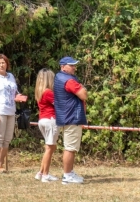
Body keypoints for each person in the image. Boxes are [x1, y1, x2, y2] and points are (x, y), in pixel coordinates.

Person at [0, 54, 26, 174]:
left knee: (7, 139)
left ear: (7, 64)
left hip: (11, 110)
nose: (1, 65)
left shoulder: (11, 77)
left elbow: (13, 93)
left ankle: (1, 165)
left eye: (3, 63)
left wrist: (18, 97)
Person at [54, 56, 87, 184]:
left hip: (67, 116)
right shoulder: (69, 81)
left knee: (70, 146)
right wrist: (83, 88)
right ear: (63, 66)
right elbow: (83, 95)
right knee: (70, 148)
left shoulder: (59, 77)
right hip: (72, 117)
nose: (74, 67)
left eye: (74, 65)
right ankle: (67, 176)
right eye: (71, 65)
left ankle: (69, 172)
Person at [34, 68, 59, 182]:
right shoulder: (48, 92)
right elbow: (59, 105)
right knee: (49, 148)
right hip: (51, 120)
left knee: (50, 147)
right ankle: (45, 174)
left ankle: (41, 172)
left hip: (42, 120)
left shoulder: (39, 91)